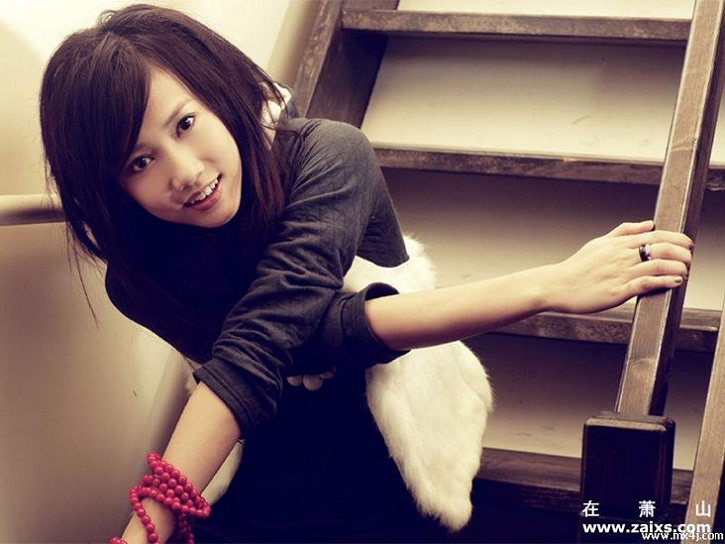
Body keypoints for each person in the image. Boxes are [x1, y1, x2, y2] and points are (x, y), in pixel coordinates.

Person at [39, 4, 693, 543]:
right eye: (139, 162)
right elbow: (296, 343)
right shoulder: (137, 279)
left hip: (389, 452)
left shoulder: (326, 155)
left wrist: (545, 285)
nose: (183, 172)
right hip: (260, 467)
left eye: (185, 123)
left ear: (219, 94)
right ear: (111, 188)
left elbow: (268, 344)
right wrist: (544, 286)